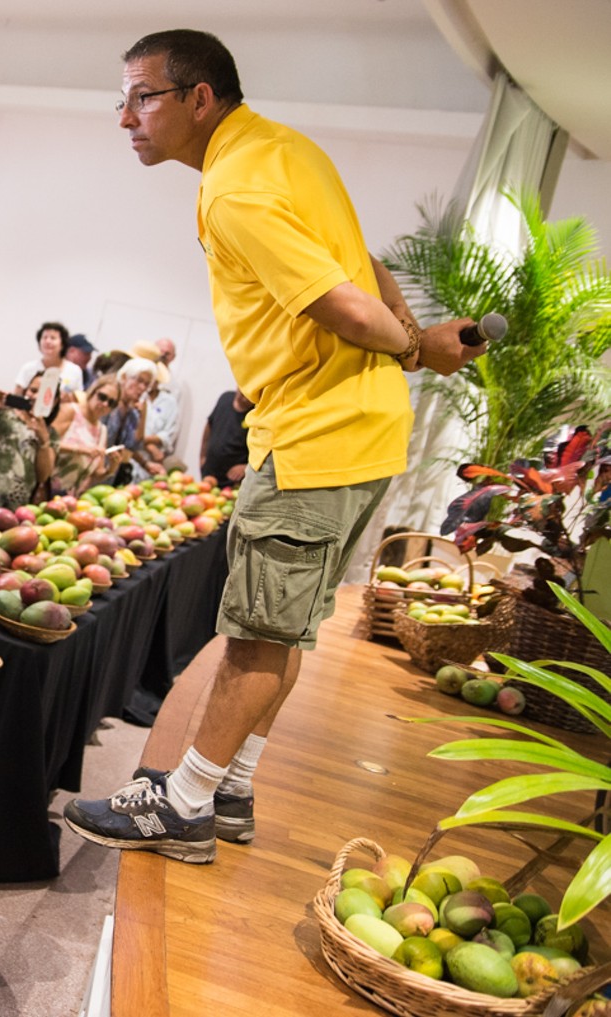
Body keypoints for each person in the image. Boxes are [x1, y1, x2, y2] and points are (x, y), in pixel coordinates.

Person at [63, 29, 477, 864]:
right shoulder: (290, 151)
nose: (126, 119)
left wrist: (413, 347)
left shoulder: (234, 188)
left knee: (254, 634)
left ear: (200, 99)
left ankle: (182, 806)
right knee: (283, 632)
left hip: (316, 431)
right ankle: (231, 784)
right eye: (125, 99)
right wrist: (414, 337)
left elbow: (350, 309)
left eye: (143, 97)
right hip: (358, 430)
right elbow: (367, 269)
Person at [0, 371, 56, 510]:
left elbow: (43, 476)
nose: (35, 396)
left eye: (43, 393)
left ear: (54, 401)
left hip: (16, 509)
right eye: (33, 390)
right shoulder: (2, 412)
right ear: (25, 390)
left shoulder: (50, 433)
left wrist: (44, 440)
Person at [50, 375, 128, 495]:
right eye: (102, 397)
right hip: (47, 485)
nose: (105, 404)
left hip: (69, 497)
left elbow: (96, 474)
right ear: (92, 392)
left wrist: (111, 467)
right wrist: (82, 450)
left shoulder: (102, 431)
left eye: (111, 403)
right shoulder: (70, 411)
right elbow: (47, 443)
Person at [15, 322, 84, 398]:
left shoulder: (74, 371)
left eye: (53, 338)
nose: (47, 341)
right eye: (44, 337)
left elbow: (78, 400)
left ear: (62, 344)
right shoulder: (28, 368)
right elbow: (16, 396)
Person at [200, 389, 254, 484]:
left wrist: (246, 467)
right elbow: (209, 425)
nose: (243, 398)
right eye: (241, 393)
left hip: (232, 481)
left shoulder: (256, 415)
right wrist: (203, 456)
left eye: (248, 396)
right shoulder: (225, 398)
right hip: (209, 473)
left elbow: (263, 451)